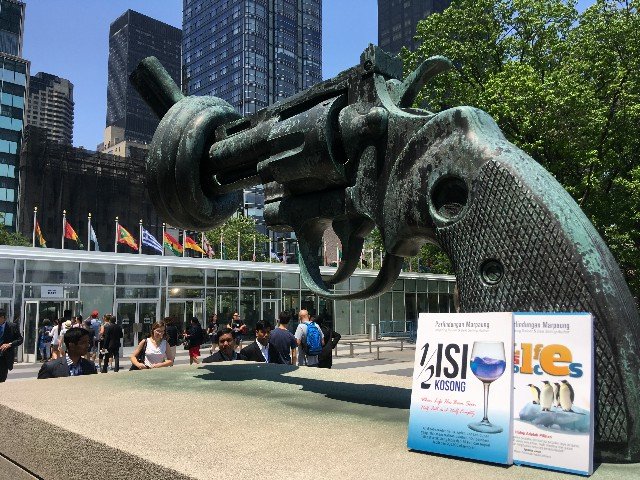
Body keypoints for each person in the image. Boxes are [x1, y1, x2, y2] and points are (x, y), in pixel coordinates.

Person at [0, 309, 23, 382]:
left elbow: (20, 340)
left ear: (3, 317)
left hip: (4, 358)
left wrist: (10, 344)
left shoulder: (12, 326)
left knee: (2, 380)